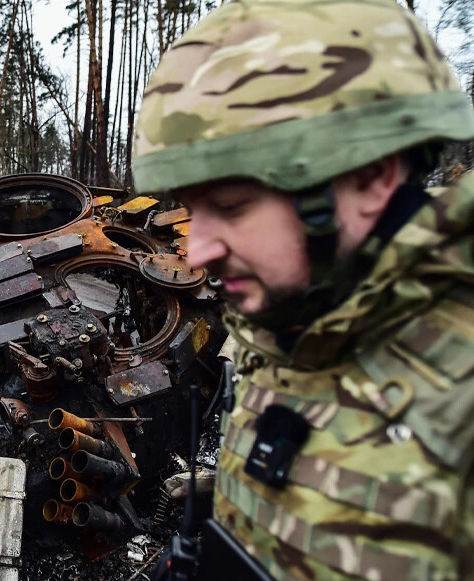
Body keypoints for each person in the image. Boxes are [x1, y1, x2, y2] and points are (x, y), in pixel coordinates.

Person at [132, 1, 474, 579]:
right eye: (192, 211)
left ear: (369, 176)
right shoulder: (294, 317)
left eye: (233, 207)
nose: (198, 251)